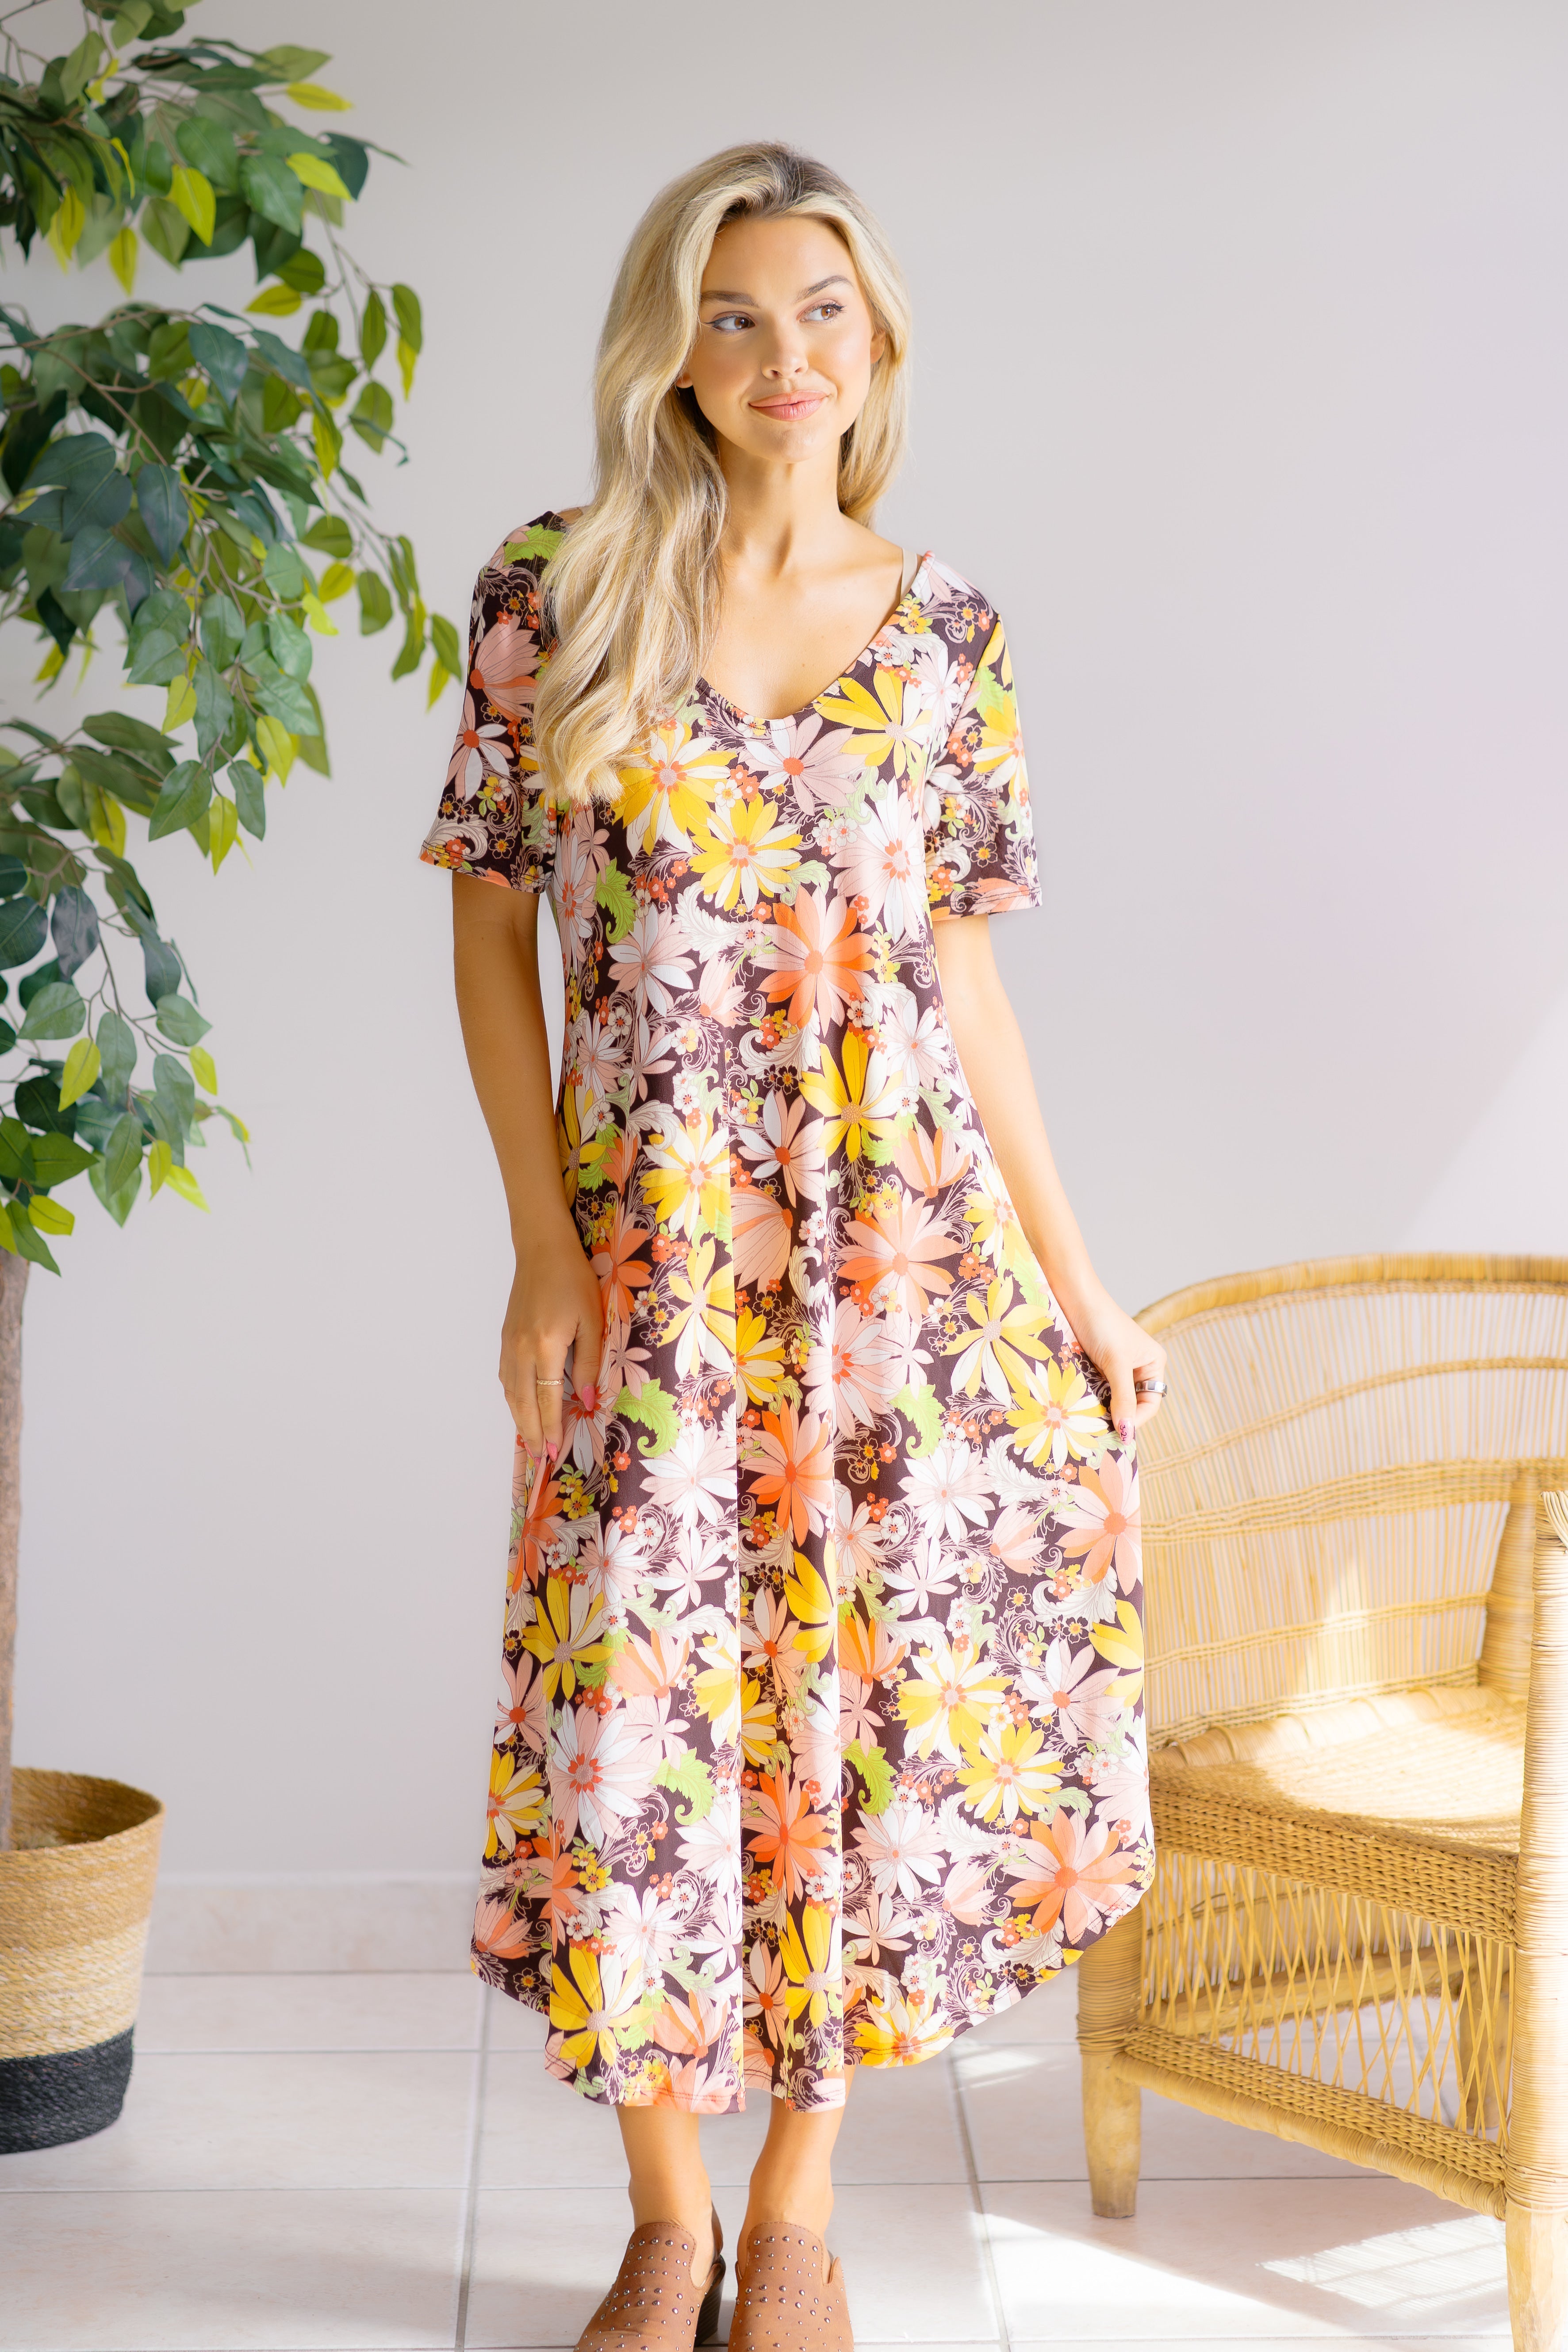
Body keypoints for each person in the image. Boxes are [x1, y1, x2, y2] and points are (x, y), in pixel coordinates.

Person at [422, 140, 1166, 2352]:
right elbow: (491, 943)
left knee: (861, 1725)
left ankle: (803, 2208)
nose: (781, 356)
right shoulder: (552, 593)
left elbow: (962, 993)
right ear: (674, 346)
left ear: (878, 346)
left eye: (820, 312)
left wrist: (1078, 1281)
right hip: (645, 1277)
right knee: (636, 1719)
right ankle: (661, 2225)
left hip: (892, 1288)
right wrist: (540, 1252)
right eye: (735, 313)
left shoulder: (944, 635)